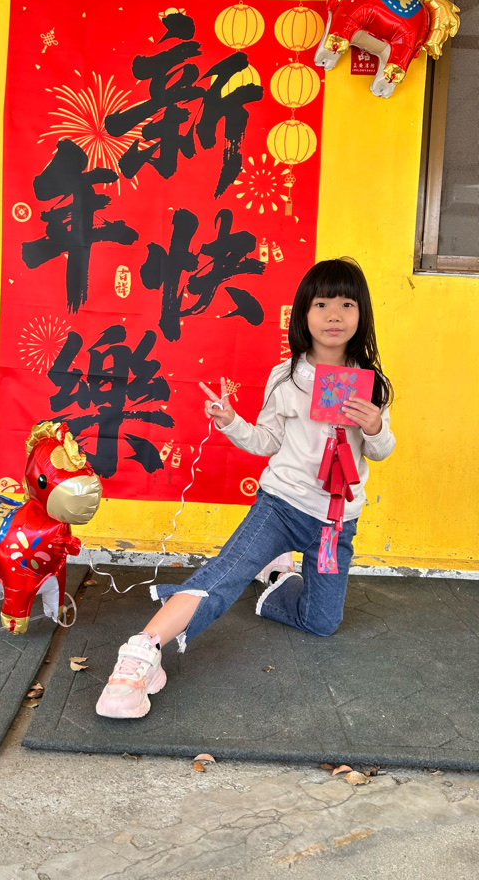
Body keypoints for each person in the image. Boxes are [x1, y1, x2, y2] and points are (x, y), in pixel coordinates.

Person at [96, 257, 395, 719]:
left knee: (322, 623)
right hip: (280, 505)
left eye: (346, 304)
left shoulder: (372, 384)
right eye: (321, 304)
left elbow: (380, 451)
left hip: (335, 521)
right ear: (304, 313)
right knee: (221, 577)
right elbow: (266, 441)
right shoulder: (286, 376)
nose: (334, 315)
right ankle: (140, 654)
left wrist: (375, 427)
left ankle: (276, 584)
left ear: (362, 313)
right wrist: (230, 421)